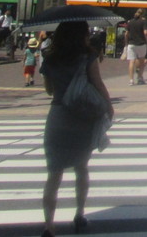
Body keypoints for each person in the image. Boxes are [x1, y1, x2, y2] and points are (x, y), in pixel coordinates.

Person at [40, 20, 113, 237]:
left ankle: (49, 226)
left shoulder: (50, 58)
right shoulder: (87, 57)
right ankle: (79, 214)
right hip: (82, 118)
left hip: (58, 116)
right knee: (81, 168)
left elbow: (49, 90)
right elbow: (98, 83)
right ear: (81, 35)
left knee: (54, 174)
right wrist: (108, 106)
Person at [124, 9, 147, 85]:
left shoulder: (130, 22)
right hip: (141, 44)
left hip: (131, 44)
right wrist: (146, 41)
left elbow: (126, 34)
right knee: (141, 61)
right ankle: (139, 78)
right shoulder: (143, 22)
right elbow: (145, 32)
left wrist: (126, 43)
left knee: (131, 62)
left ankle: (131, 80)